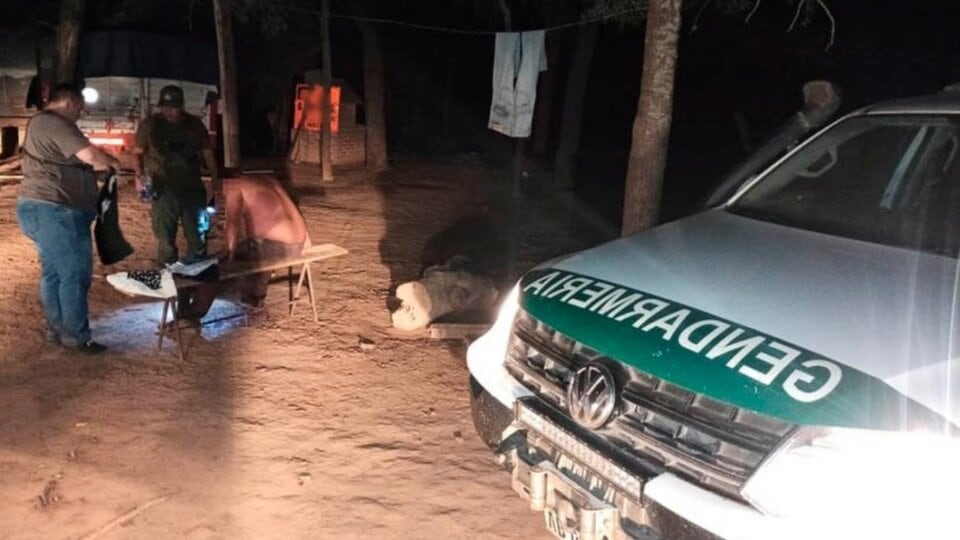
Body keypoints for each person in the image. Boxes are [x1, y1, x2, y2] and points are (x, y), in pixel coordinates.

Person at [17, 84, 121, 354]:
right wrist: (116, 163)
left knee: (54, 273)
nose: (80, 113)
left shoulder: (45, 125)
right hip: (55, 210)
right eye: (80, 108)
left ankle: (58, 329)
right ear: (70, 103)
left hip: (49, 210)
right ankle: (75, 336)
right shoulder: (53, 122)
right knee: (74, 274)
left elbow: (79, 163)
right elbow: (90, 156)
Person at [175, 173, 311, 320]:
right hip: (298, 243)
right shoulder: (267, 179)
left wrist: (229, 258)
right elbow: (291, 207)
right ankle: (254, 299)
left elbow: (232, 226)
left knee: (215, 268)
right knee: (251, 248)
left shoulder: (233, 186)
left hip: (275, 245)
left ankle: (192, 314)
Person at [133, 85, 219, 264]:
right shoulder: (150, 125)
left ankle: (196, 270)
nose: (168, 111)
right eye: (165, 106)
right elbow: (138, 152)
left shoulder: (194, 125)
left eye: (173, 107)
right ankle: (168, 271)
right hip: (163, 187)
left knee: (197, 232)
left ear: (182, 106)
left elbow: (207, 152)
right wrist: (139, 175)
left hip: (191, 187)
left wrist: (215, 178)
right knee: (164, 235)